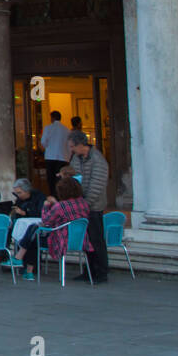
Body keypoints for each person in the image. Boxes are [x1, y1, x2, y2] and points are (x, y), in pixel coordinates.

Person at [16, 177, 93, 280]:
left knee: (34, 237)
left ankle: (25, 265)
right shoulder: (84, 203)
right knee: (34, 232)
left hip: (61, 241)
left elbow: (46, 221)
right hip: (80, 240)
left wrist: (46, 206)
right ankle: (24, 265)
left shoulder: (60, 206)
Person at [69, 131, 109, 284]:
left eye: (73, 146)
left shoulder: (98, 160)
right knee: (87, 241)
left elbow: (96, 186)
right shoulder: (76, 158)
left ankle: (101, 271)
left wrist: (85, 204)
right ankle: (89, 270)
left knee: (96, 239)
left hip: (94, 207)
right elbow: (74, 177)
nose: (71, 150)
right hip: (81, 205)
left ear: (81, 145)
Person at [38, 111, 70, 193]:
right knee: (61, 178)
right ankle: (60, 195)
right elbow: (69, 145)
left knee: (51, 179)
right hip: (63, 157)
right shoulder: (66, 130)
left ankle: (53, 195)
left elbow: (43, 142)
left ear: (52, 118)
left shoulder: (48, 128)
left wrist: (46, 147)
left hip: (50, 156)